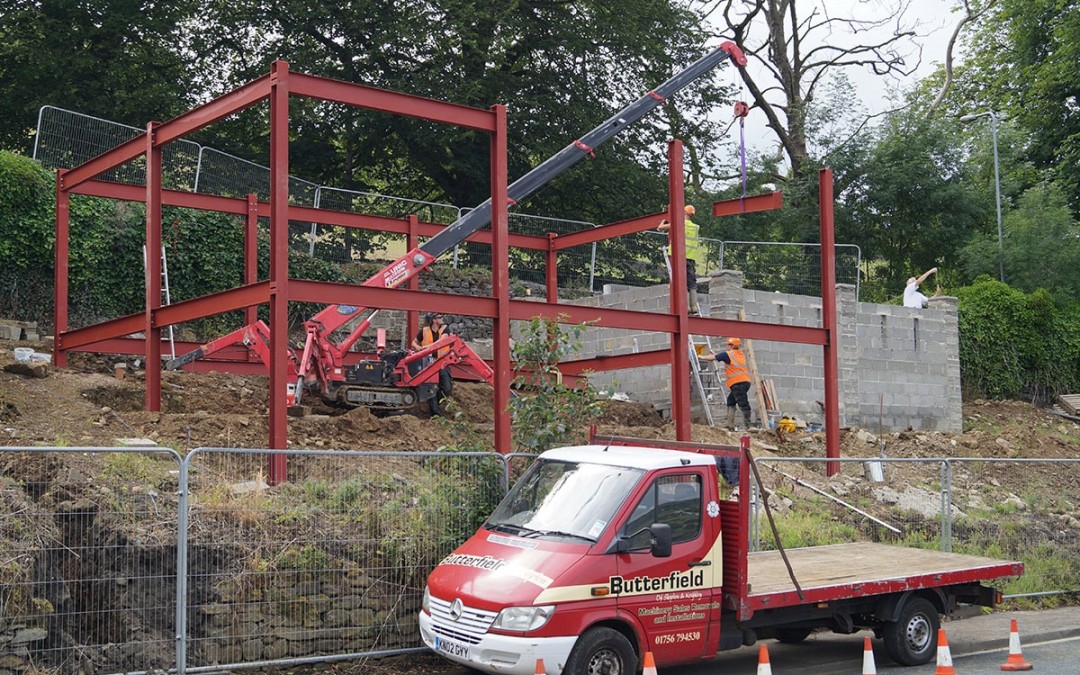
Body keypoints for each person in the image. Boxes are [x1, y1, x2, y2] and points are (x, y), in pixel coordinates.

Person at [658, 204, 706, 316]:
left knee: (681, 282)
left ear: (684, 213)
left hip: (678, 257)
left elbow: (660, 228)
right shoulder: (696, 227)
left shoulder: (678, 223)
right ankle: (694, 307)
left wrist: (663, 221)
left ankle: (686, 308)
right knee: (692, 283)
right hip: (691, 258)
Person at [698, 337, 753, 431]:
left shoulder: (728, 354)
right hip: (745, 382)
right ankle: (730, 425)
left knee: (743, 403)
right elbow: (723, 358)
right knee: (731, 401)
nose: (727, 346)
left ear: (731, 346)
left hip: (737, 382)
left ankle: (750, 426)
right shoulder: (740, 354)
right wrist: (716, 355)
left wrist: (701, 356)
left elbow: (713, 358)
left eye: (728, 344)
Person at [411, 312, 453, 415]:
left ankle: (436, 404)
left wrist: (429, 348)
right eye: (440, 317)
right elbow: (414, 342)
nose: (442, 318)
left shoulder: (445, 329)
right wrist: (419, 348)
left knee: (447, 388)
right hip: (429, 363)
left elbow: (443, 340)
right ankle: (435, 412)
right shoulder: (424, 331)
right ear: (434, 320)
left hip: (442, 362)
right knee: (431, 387)